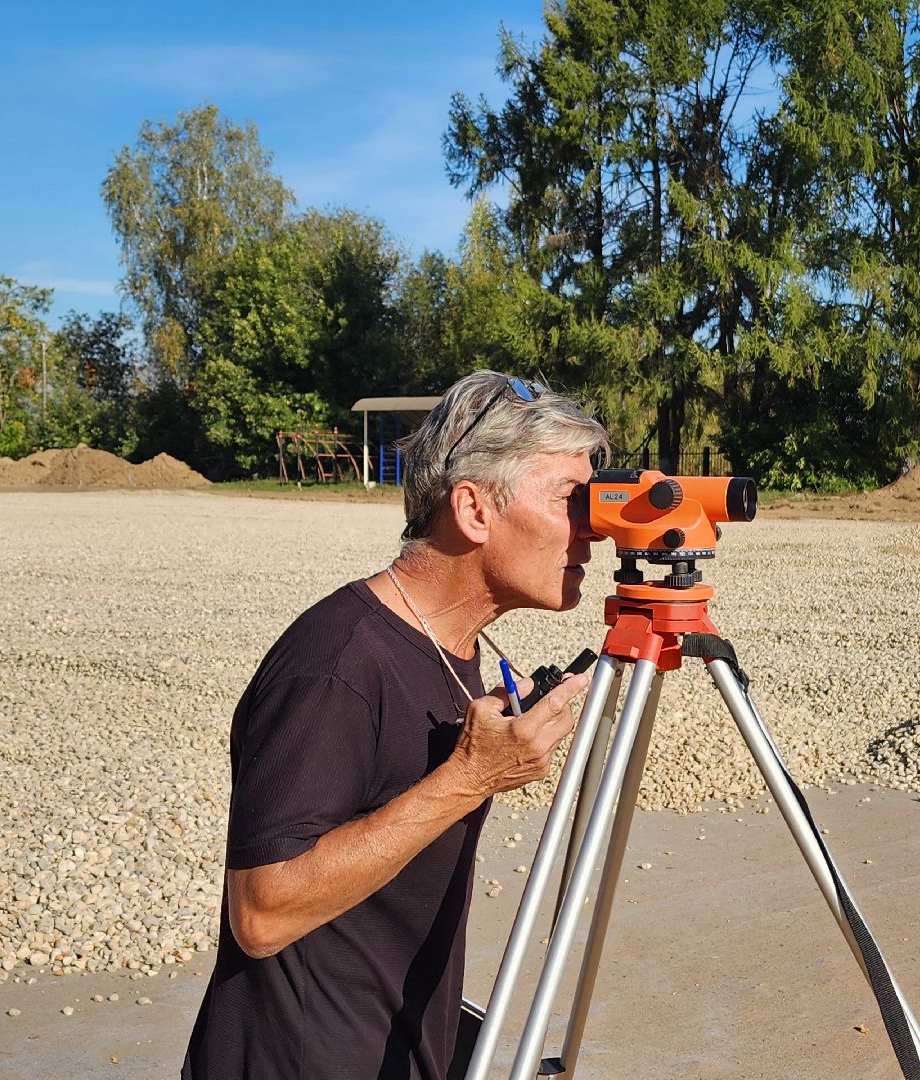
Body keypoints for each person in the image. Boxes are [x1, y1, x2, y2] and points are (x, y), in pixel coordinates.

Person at [182, 371, 609, 1080]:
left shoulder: (457, 646)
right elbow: (261, 914)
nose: (593, 528)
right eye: (571, 499)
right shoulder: (337, 663)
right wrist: (469, 777)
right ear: (473, 509)